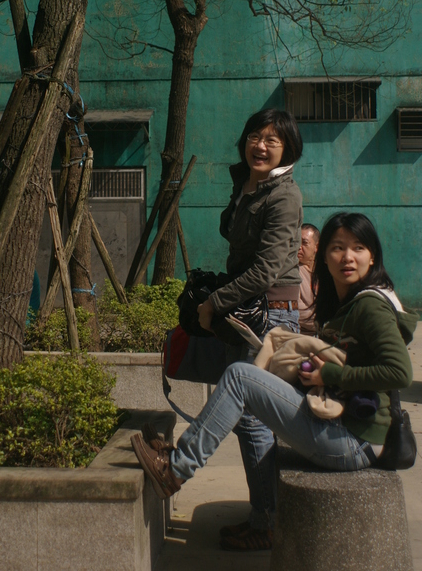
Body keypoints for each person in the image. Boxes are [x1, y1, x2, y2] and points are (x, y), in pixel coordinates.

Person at [132, 212, 418, 550]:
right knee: (247, 381)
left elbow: (400, 372)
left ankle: (177, 469)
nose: (348, 257)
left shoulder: (370, 306)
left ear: (372, 256)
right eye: (338, 248)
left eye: (358, 247)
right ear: (323, 256)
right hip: (340, 424)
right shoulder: (343, 302)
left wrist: (330, 374)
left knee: (240, 376)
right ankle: (258, 515)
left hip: (354, 441)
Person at [194, 108, 304, 550]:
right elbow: (232, 234)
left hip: (270, 312)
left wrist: (213, 303)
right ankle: (265, 515)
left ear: (288, 149)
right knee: (247, 418)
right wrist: (242, 187)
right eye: (255, 137)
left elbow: (265, 269)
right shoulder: (251, 185)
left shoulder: (284, 196)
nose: (260, 146)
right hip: (252, 310)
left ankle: (267, 523)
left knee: (252, 419)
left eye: (272, 140)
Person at [298, 223, 319, 335]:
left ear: (317, 247)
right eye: (296, 242)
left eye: (304, 243)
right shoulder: (293, 272)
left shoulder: (326, 271)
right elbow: (298, 311)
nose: (299, 247)